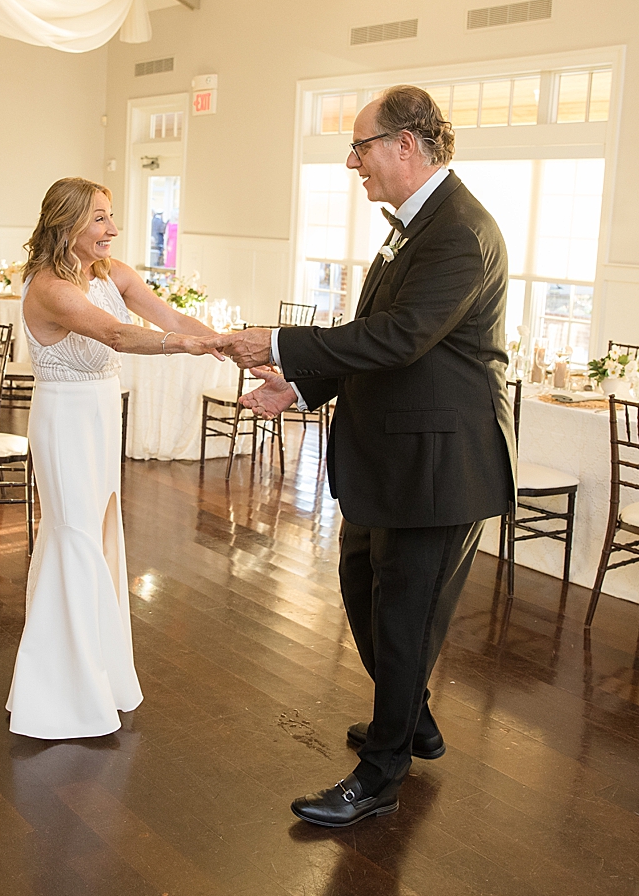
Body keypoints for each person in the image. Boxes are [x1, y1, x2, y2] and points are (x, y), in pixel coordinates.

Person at [208, 86, 516, 826]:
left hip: (442, 466)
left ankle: (380, 774)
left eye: (361, 147)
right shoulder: (409, 227)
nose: (354, 163)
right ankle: (414, 719)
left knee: (405, 615)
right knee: (362, 587)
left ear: (405, 145)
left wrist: (279, 342)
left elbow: (400, 338)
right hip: (394, 459)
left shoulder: (459, 232)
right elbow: (378, 333)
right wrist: (302, 386)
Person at [6, 177, 220, 739]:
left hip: (103, 415)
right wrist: (186, 348)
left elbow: (169, 317)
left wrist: (225, 344)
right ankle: (61, 690)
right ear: (67, 223)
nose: (113, 229)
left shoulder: (113, 273)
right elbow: (119, 337)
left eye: (110, 217)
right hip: (64, 419)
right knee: (74, 534)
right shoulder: (50, 287)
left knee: (99, 535)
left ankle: (98, 671)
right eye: (99, 218)